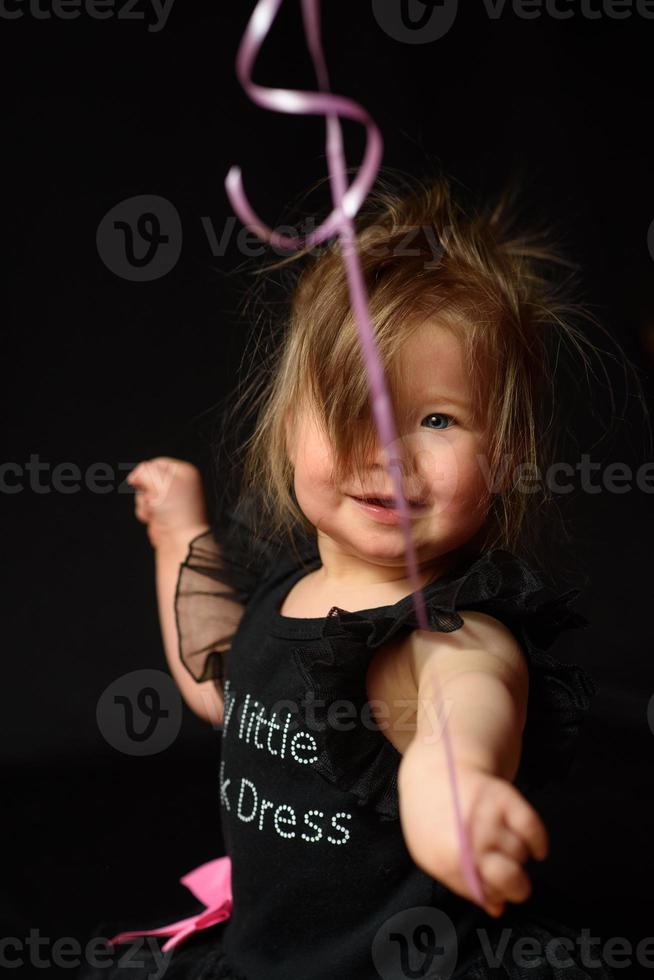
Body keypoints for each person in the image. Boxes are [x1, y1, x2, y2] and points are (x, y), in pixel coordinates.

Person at [78, 172, 621, 979]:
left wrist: (458, 791)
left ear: (504, 455)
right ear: (287, 421)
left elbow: (460, 712)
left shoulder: (450, 629)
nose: (388, 452)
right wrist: (180, 537)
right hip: (267, 953)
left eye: (438, 419)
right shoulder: (295, 589)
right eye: (350, 408)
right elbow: (219, 684)